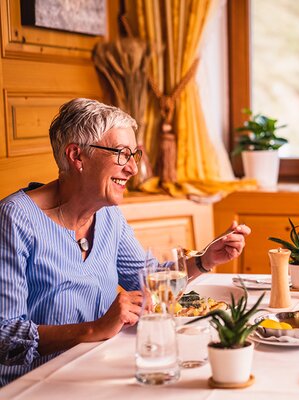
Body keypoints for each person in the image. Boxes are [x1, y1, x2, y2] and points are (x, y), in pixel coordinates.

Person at [0, 98, 250, 386]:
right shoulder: (14, 220)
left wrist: (205, 260)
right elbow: (5, 337)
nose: (132, 169)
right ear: (76, 156)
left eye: (134, 155)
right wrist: (94, 329)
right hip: (36, 385)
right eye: (121, 154)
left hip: (95, 370)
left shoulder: (108, 215)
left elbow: (149, 282)